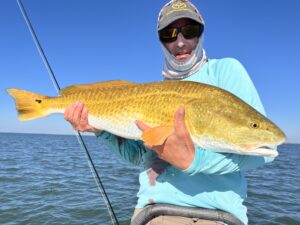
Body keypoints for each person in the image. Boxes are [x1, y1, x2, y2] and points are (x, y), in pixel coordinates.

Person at [64, 0, 276, 224]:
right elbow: (136, 156)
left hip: (212, 215)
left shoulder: (225, 70)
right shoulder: (157, 91)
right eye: (169, 34)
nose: (181, 42)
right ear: (161, 41)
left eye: (190, 31)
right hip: (149, 212)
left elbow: (264, 150)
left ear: (201, 33)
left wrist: (194, 161)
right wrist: (101, 131)